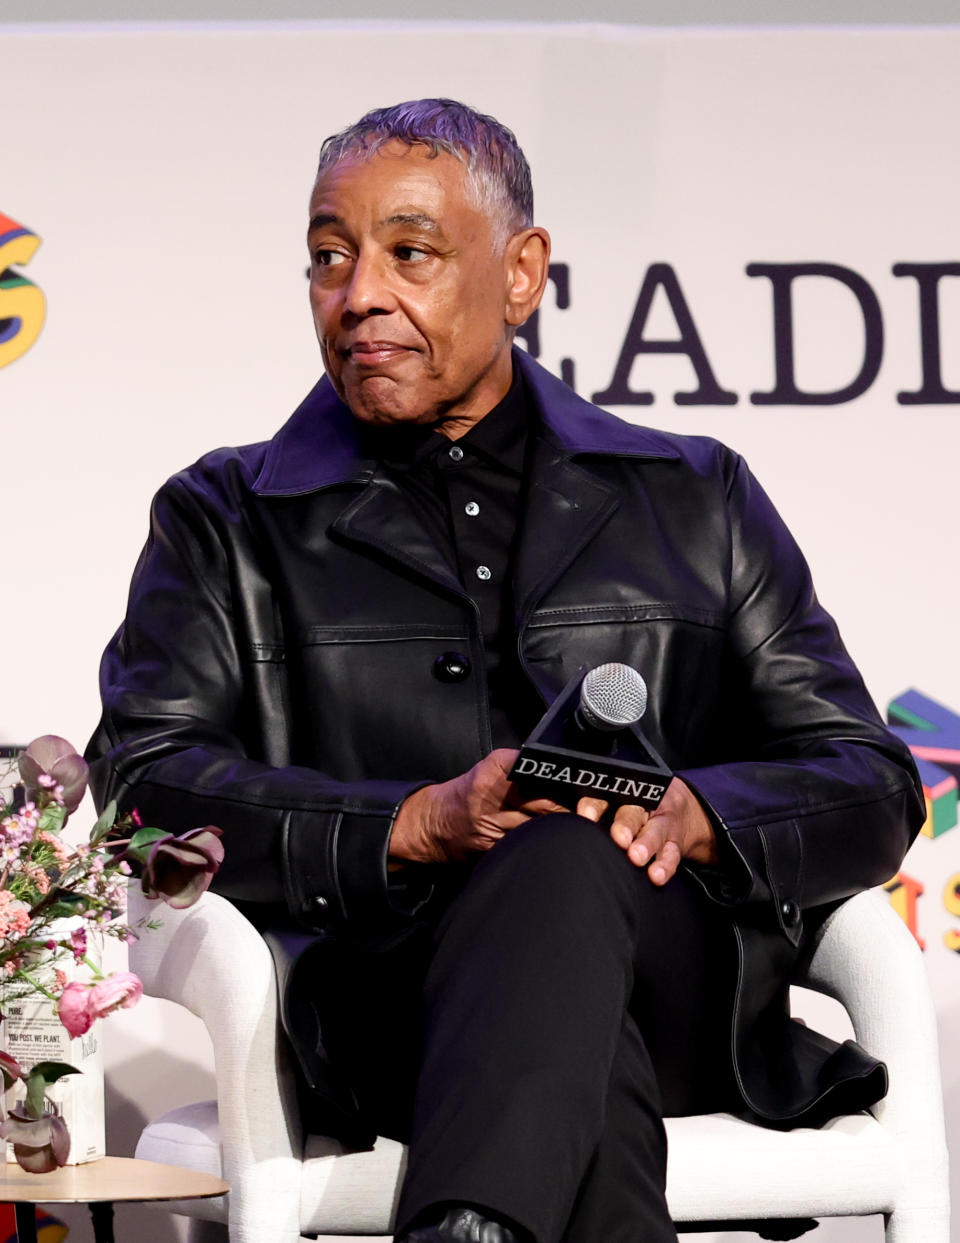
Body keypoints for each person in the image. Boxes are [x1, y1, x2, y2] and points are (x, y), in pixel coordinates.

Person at [87, 99, 924, 1243]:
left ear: (522, 273)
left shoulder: (692, 495)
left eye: (408, 253)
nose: (359, 293)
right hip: (392, 1002)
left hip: (673, 979)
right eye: (329, 257)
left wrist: (698, 816)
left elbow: (869, 777)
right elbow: (147, 785)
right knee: (577, 1070)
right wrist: (413, 822)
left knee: (564, 859)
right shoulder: (226, 519)